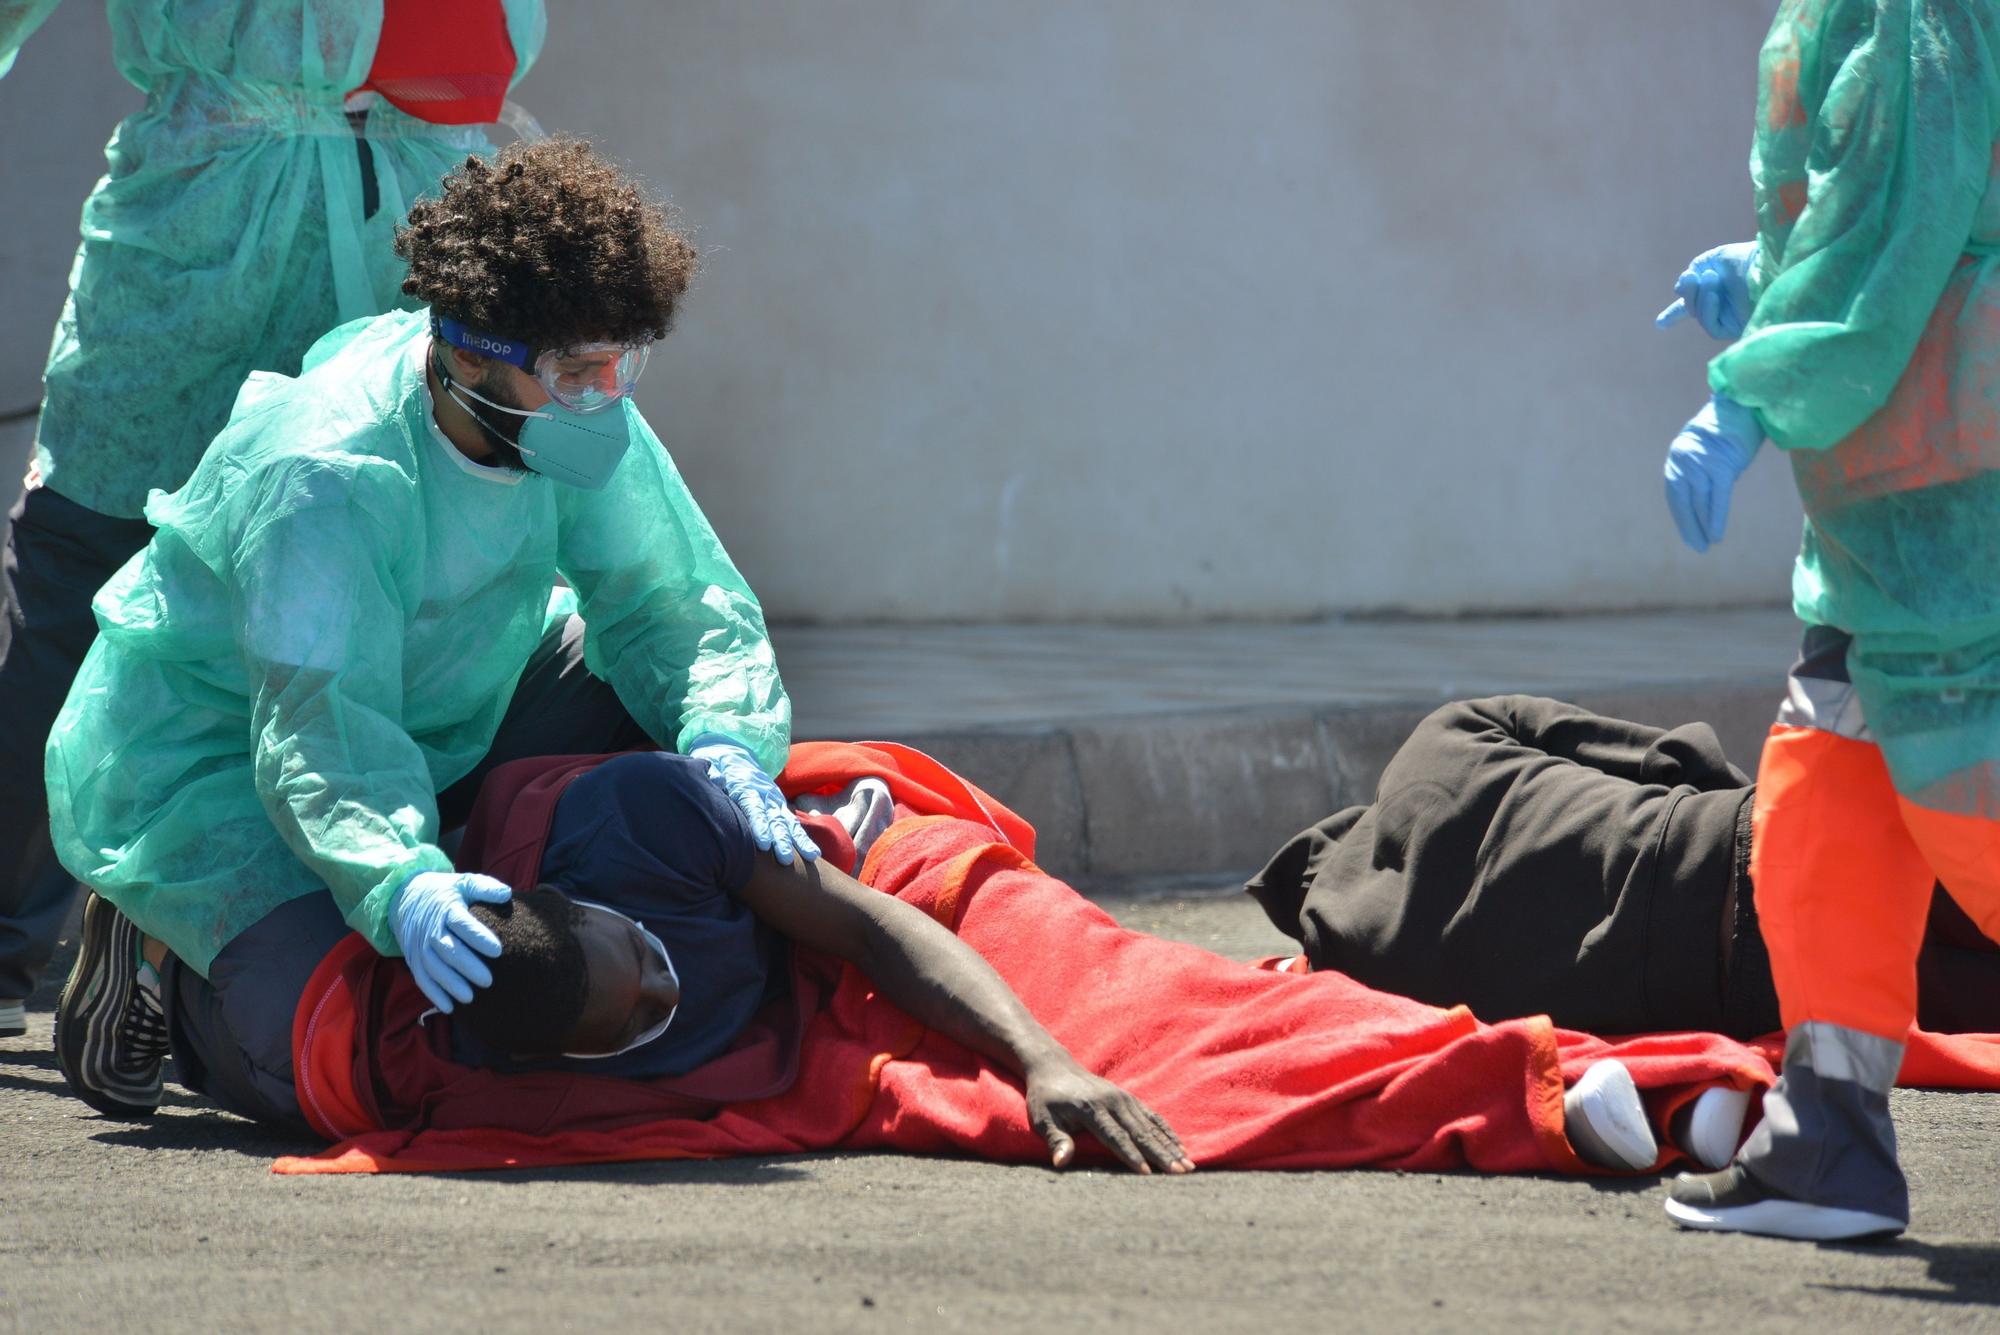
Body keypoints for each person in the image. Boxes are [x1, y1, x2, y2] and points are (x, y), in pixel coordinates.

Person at [44, 137, 817, 1125]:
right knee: (317, 1067)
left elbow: (670, 602)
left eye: (622, 363)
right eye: (578, 370)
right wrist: (403, 882)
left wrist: (723, 736)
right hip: (223, 760)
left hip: (432, 695)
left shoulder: (561, 416)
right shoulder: (325, 473)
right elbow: (321, 726)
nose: (604, 397)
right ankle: (167, 959)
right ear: (467, 352)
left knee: (642, 699)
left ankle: (468, 857)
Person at [177, 742, 1768, 1179]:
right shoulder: (467, 1071)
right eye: (634, 1017)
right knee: (1026, 1113)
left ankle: (1556, 1074)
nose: (658, 989)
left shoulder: (634, 833)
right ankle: (1540, 1108)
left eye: (643, 966)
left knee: (1129, 1007)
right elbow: (340, 1078)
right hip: (825, 1042)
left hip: (862, 897)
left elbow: (872, 925)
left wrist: (1045, 1051)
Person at [0, 0, 548, 1040]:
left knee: (362, 595)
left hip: (413, 215)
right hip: (217, 222)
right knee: (91, 569)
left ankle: (213, 938)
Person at [1650, 1, 2000, 1241]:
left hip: (1954, 516)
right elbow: (1872, 208)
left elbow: (1890, 246)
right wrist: (1764, 268)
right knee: (1825, 803)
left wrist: (1744, 395)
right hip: (1892, 517)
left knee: (1973, 815)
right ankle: (1826, 1143)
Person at [1246, 695, 2000, 1042]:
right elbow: (1672, 757)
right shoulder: (1444, 738)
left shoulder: (1368, 970)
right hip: (1743, 844)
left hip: (1744, 984)